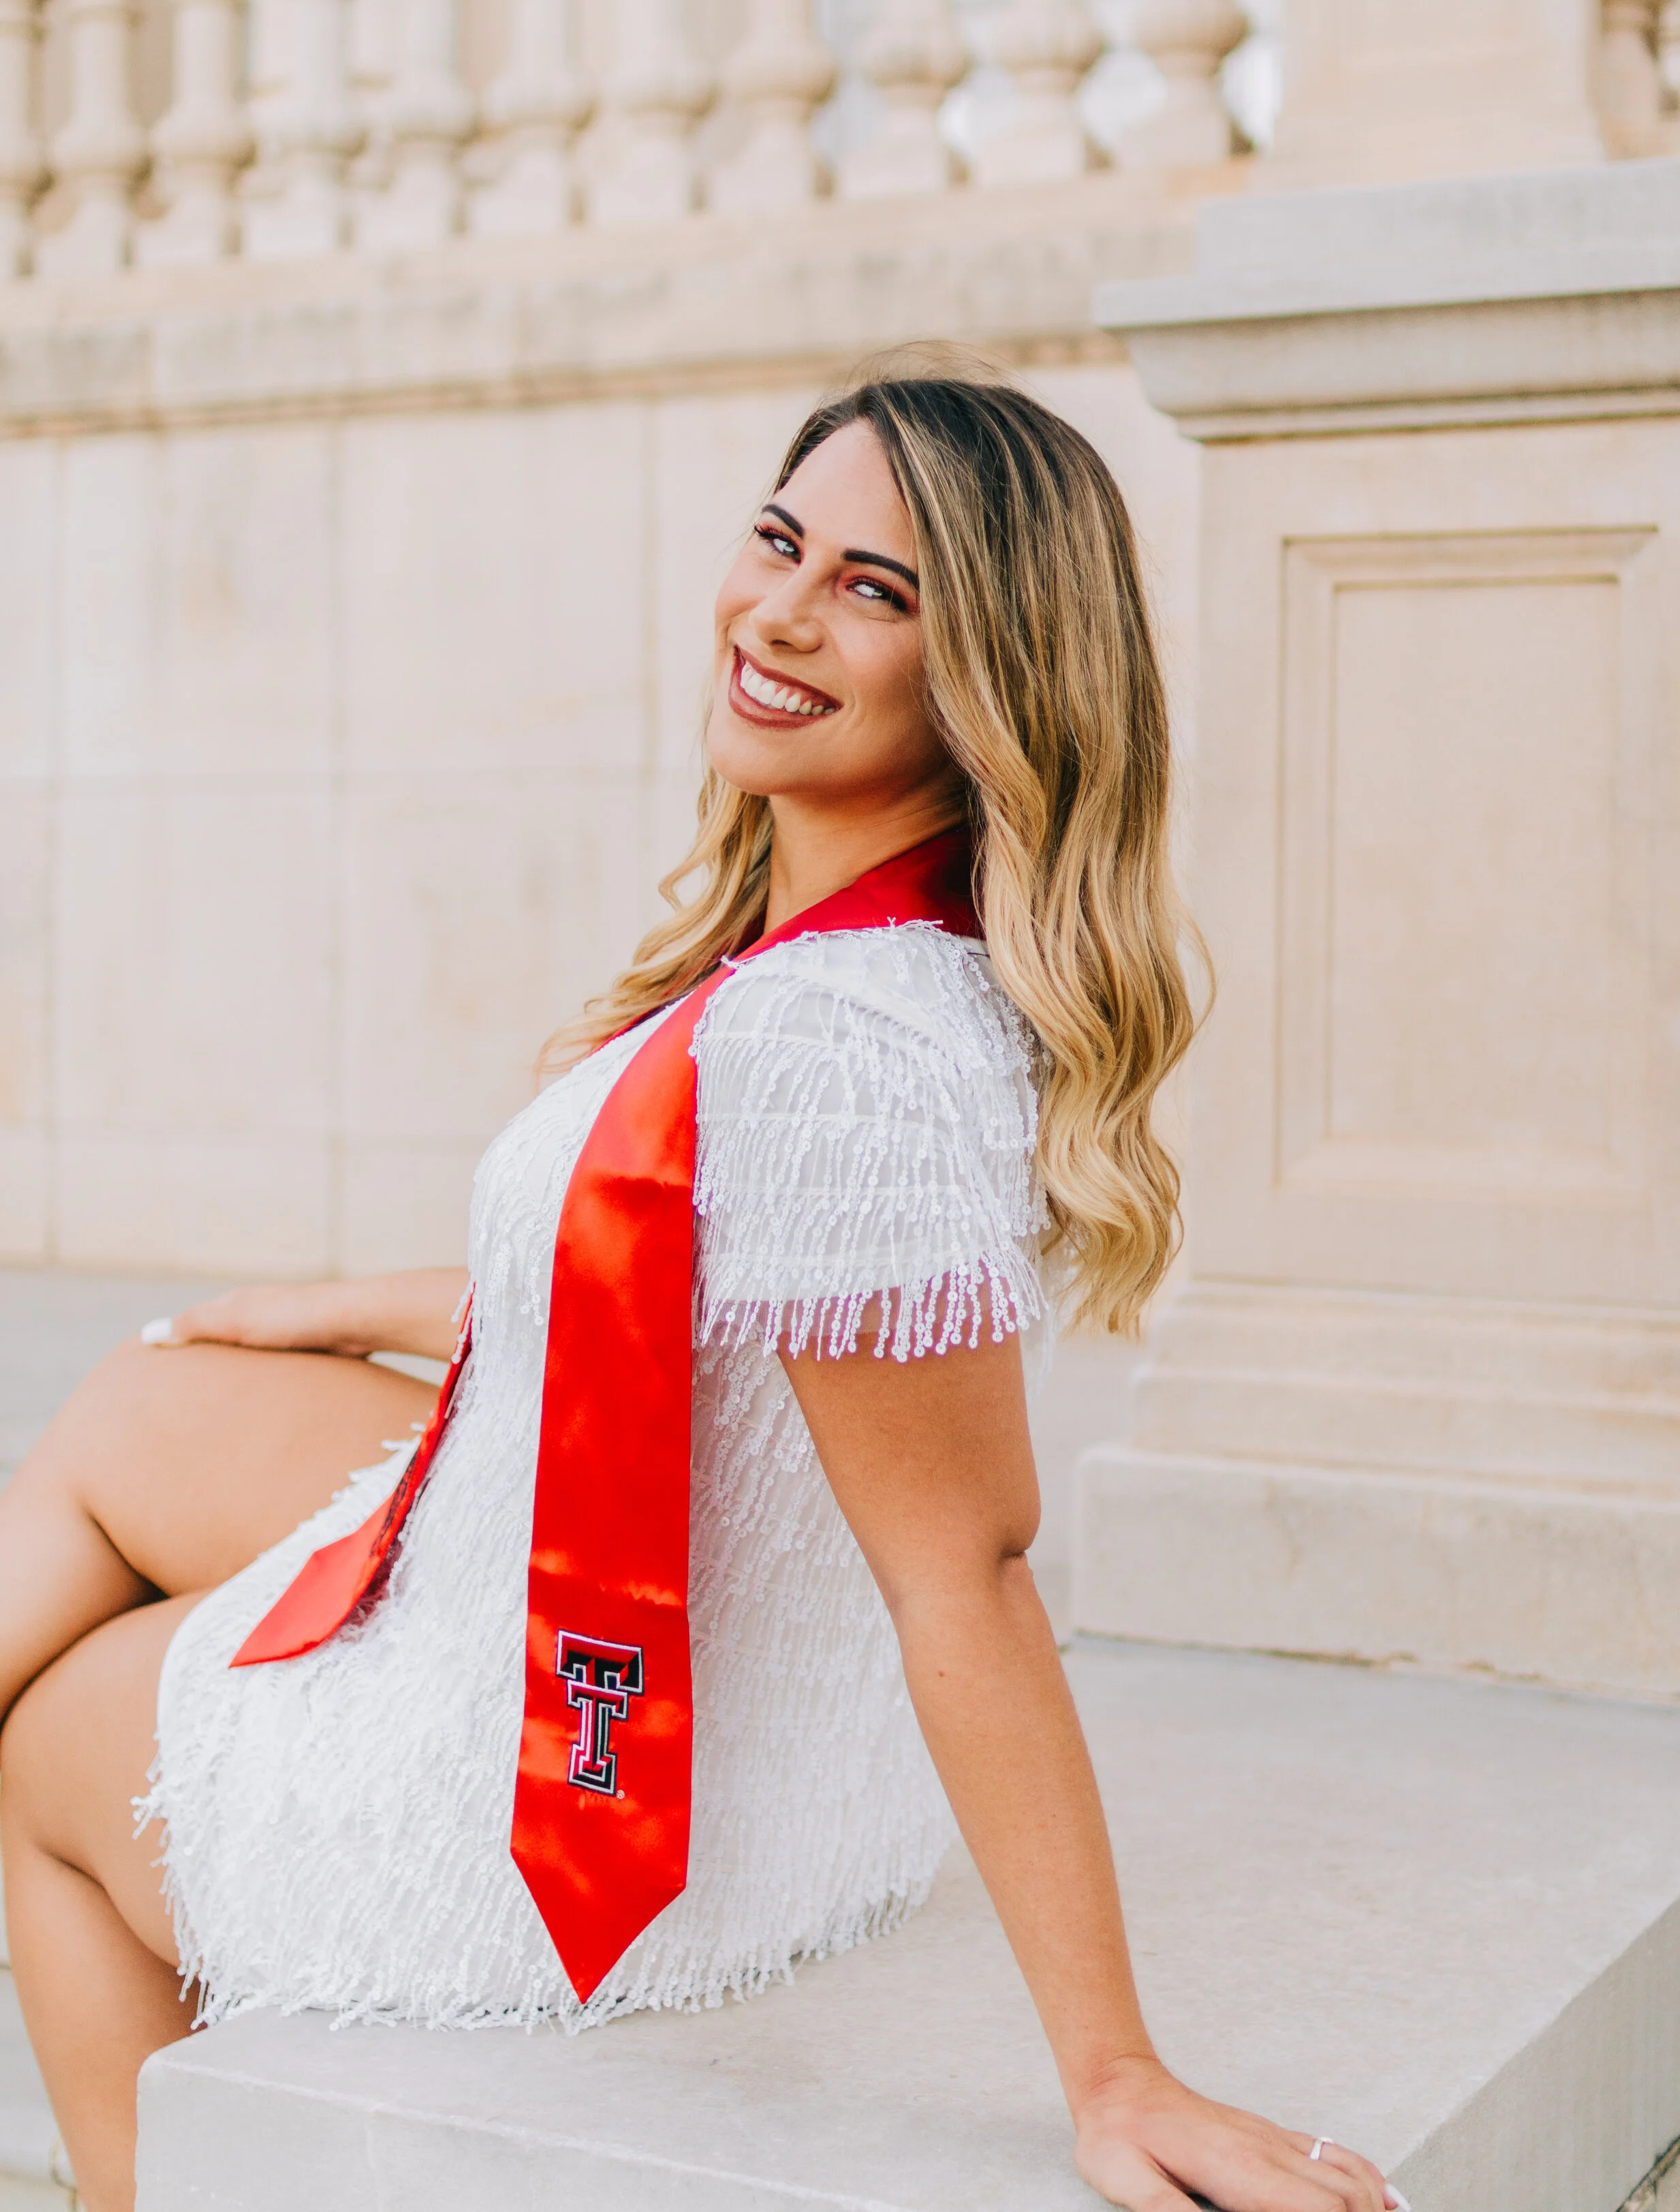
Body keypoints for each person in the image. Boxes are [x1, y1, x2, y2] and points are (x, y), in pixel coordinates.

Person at [0, 365, 1398, 2212]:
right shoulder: (872, 955)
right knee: (154, 1396)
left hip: (609, 1796)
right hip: (724, 1680)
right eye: (778, 542)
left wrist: (1115, 2072)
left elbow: (966, 1567)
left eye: (874, 591)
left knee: (51, 1746)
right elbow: (670, 1296)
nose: (782, 612)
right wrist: (348, 1300)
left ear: (990, 678)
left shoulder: (837, 1054)